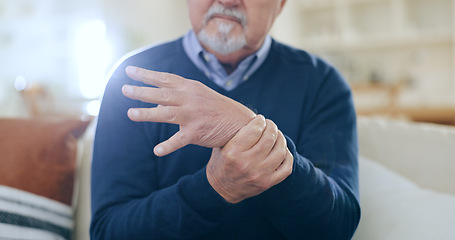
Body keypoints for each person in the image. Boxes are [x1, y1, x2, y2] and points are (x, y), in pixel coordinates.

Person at [90, 0, 361, 239]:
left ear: (281, 4)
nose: (228, 0)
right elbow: (108, 231)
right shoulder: (132, 81)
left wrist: (247, 129)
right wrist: (215, 187)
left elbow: (337, 227)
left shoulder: (323, 84)